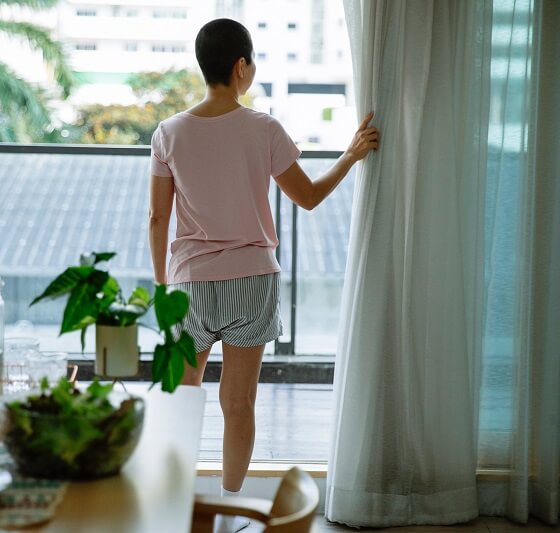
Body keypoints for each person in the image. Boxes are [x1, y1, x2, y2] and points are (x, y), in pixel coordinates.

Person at [149, 18, 379, 533]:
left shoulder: (168, 133)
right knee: (239, 403)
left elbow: (158, 219)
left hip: (190, 284)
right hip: (253, 280)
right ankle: (231, 511)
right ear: (240, 67)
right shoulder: (264, 129)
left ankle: (175, 511)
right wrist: (351, 154)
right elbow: (310, 197)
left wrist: (163, 284)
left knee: (183, 402)